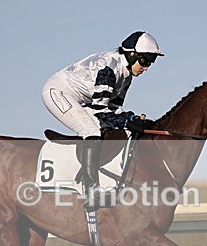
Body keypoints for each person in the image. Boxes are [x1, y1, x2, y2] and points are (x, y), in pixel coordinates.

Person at [41, 31, 163, 207]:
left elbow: (114, 109)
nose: (147, 67)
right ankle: (91, 191)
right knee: (91, 131)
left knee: (114, 129)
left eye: (151, 62)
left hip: (84, 100)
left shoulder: (127, 76)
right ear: (131, 54)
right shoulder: (110, 69)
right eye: (144, 61)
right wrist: (129, 120)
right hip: (58, 92)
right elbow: (101, 111)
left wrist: (132, 120)